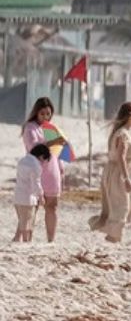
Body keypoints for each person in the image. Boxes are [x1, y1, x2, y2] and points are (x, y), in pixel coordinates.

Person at [88, 102, 131, 243]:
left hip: (120, 173)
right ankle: (114, 238)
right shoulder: (122, 134)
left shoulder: (126, 132)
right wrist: (126, 179)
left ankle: (112, 234)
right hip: (118, 174)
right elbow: (121, 157)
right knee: (121, 208)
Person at [20, 97, 65, 242]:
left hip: (52, 171)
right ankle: (27, 239)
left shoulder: (53, 129)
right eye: (42, 114)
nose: (46, 117)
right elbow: (34, 148)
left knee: (52, 207)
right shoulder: (30, 128)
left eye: (48, 114)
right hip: (36, 171)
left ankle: (51, 239)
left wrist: (61, 167)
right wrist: (50, 142)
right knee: (32, 207)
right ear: (36, 113)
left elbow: (57, 151)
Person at [13, 144, 51, 242]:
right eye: (43, 160)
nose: (42, 162)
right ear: (41, 156)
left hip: (17, 195)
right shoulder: (35, 165)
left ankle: (17, 239)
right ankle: (26, 241)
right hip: (28, 197)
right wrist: (41, 196)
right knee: (27, 222)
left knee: (22, 220)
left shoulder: (22, 160)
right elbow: (36, 183)